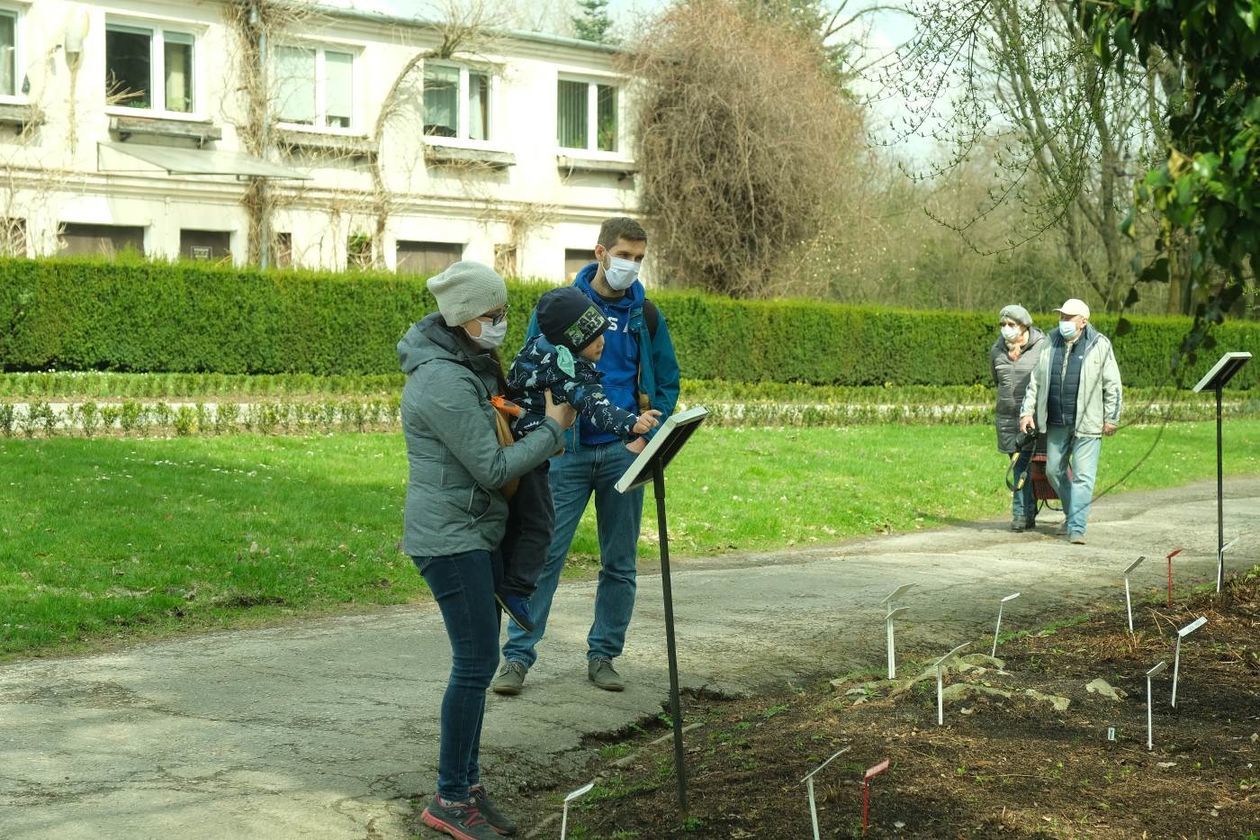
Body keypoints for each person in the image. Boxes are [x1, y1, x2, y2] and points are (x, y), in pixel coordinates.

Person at [399, 261, 576, 840]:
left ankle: (467, 785)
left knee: (476, 662)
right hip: (450, 538)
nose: (501, 325)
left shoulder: (464, 365)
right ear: (463, 318)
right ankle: (450, 797)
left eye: (504, 314)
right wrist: (553, 429)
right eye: (492, 317)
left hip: (470, 531)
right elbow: (492, 466)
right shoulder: (442, 380)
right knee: (475, 664)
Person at [493, 217, 681, 695]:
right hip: (566, 453)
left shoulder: (646, 315)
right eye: (624, 255)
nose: (631, 266)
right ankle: (517, 657)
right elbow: (531, 365)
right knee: (544, 557)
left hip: (624, 451)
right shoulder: (560, 306)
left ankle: (604, 656)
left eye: (639, 258)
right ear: (601, 252)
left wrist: (648, 431)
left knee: (619, 563)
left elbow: (667, 380)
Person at [496, 287, 661, 632]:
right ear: (571, 340)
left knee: (528, 523)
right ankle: (511, 590)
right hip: (538, 453)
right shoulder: (566, 369)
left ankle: (507, 581)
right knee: (541, 527)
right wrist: (633, 423)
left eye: (602, 333)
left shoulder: (539, 349)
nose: (603, 342)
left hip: (527, 448)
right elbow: (593, 405)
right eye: (593, 336)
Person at [1018, 298, 1122, 545]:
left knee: (1084, 476)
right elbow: (1036, 381)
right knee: (1054, 470)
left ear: (1083, 322)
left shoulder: (1100, 345)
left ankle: (1077, 527)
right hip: (1056, 420)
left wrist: (1112, 417)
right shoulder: (1049, 342)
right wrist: (1026, 412)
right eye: (1061, 317)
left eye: (1068, 317)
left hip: (1088, 423)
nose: (1062, 321)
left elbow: (1113, 384)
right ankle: (1072, 511)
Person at [989, 304, 1045, 532]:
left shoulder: (1041, 347)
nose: (1006, 329)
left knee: (1021, 465)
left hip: (1030, 418)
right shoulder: (996, 350)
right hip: (1006, 418)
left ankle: (1020, 514)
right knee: (1019, 465)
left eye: (1011, 325)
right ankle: (1028, 513)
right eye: (1003, 325)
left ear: (1024, 326)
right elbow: (996, 379)